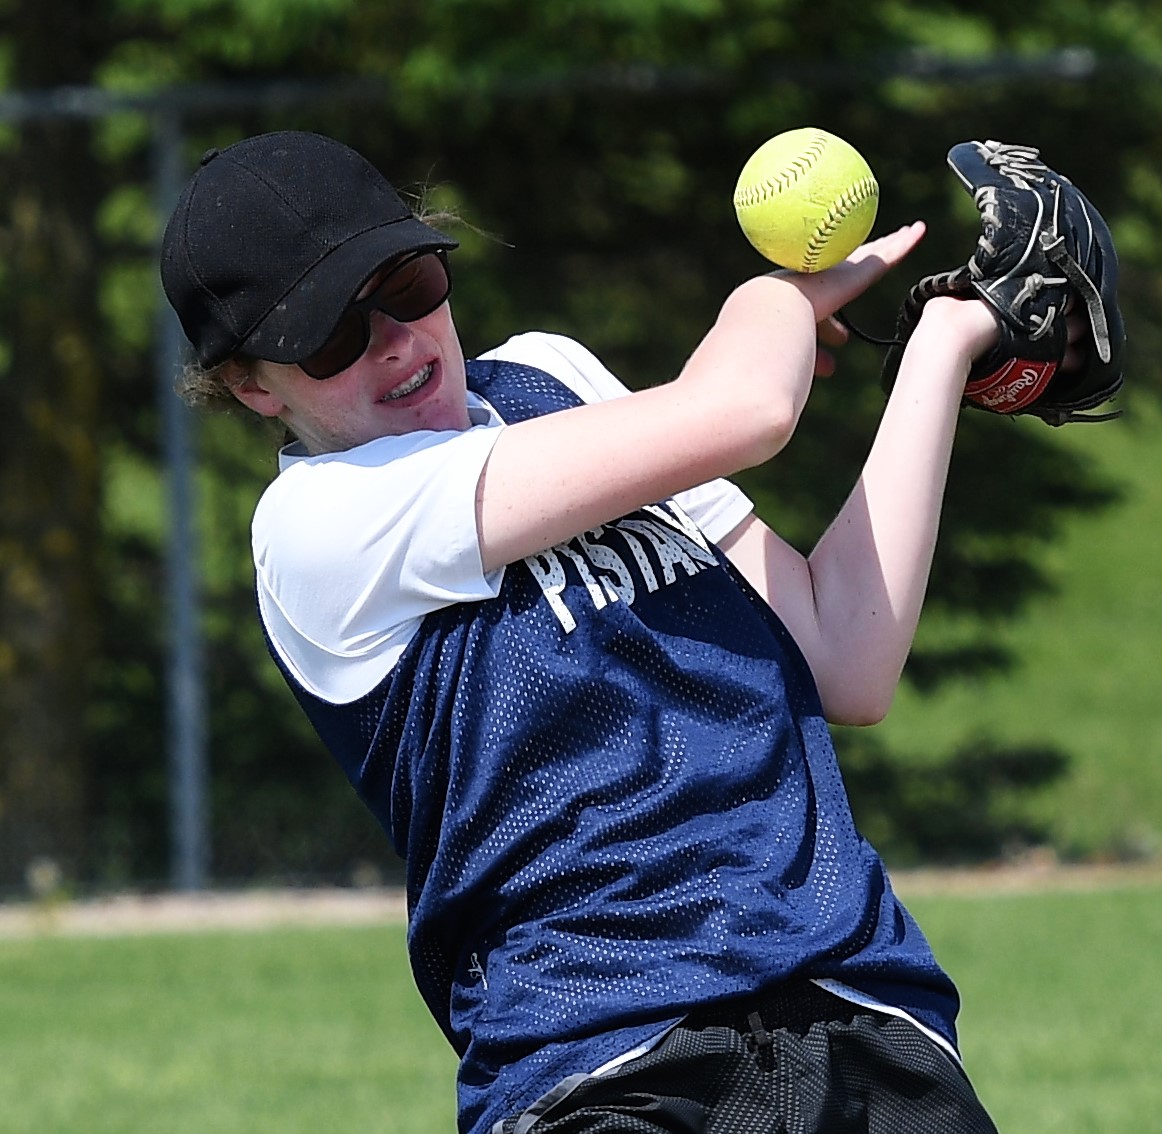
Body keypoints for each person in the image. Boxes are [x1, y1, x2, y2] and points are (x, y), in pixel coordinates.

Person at [161, 130, 1083, 1134]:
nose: (396, 339)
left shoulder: (550, 380)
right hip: (610, 1067)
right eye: (331, 335)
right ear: (255, 385)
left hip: (856, 1012)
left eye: (409, 282)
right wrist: (769, 300)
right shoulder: (318, 529)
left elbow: (845, 652)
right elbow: (746, 406)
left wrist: (947, 343)